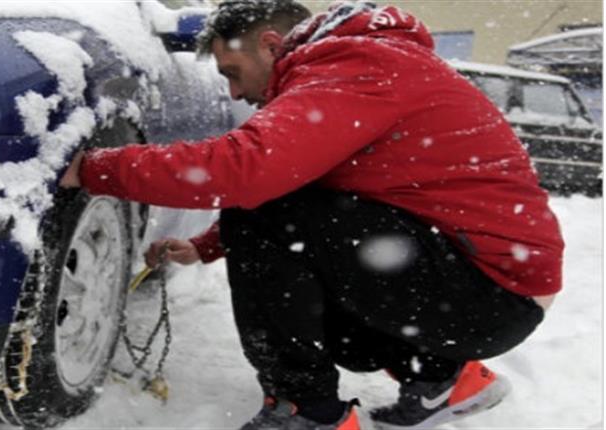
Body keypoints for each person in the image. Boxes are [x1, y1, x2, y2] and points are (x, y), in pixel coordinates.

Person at [59, 0, 563, 429]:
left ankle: (308, 411)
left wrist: (96, 168)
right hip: (488, 284)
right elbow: (310, 185)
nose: (234, 93)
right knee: (277, 217)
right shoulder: (369, 63)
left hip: (486, 290)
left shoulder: (356, 64)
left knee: (262, 209)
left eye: (232, 73)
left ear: (272, 46)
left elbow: (247, 173)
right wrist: (206, 245)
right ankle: (442, 378)